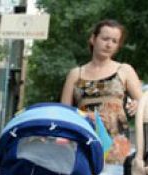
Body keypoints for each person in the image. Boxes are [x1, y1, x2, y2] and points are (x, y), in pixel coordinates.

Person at [60, 19, 143, 165]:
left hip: (117, 144)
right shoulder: (75, 74)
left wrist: (137, 104)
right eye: (105, 39)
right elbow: (64, 113)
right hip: (84, 140)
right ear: (93, 39)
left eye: (114, 41)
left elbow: (144, 102)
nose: (109, 44)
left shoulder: (124, 70)